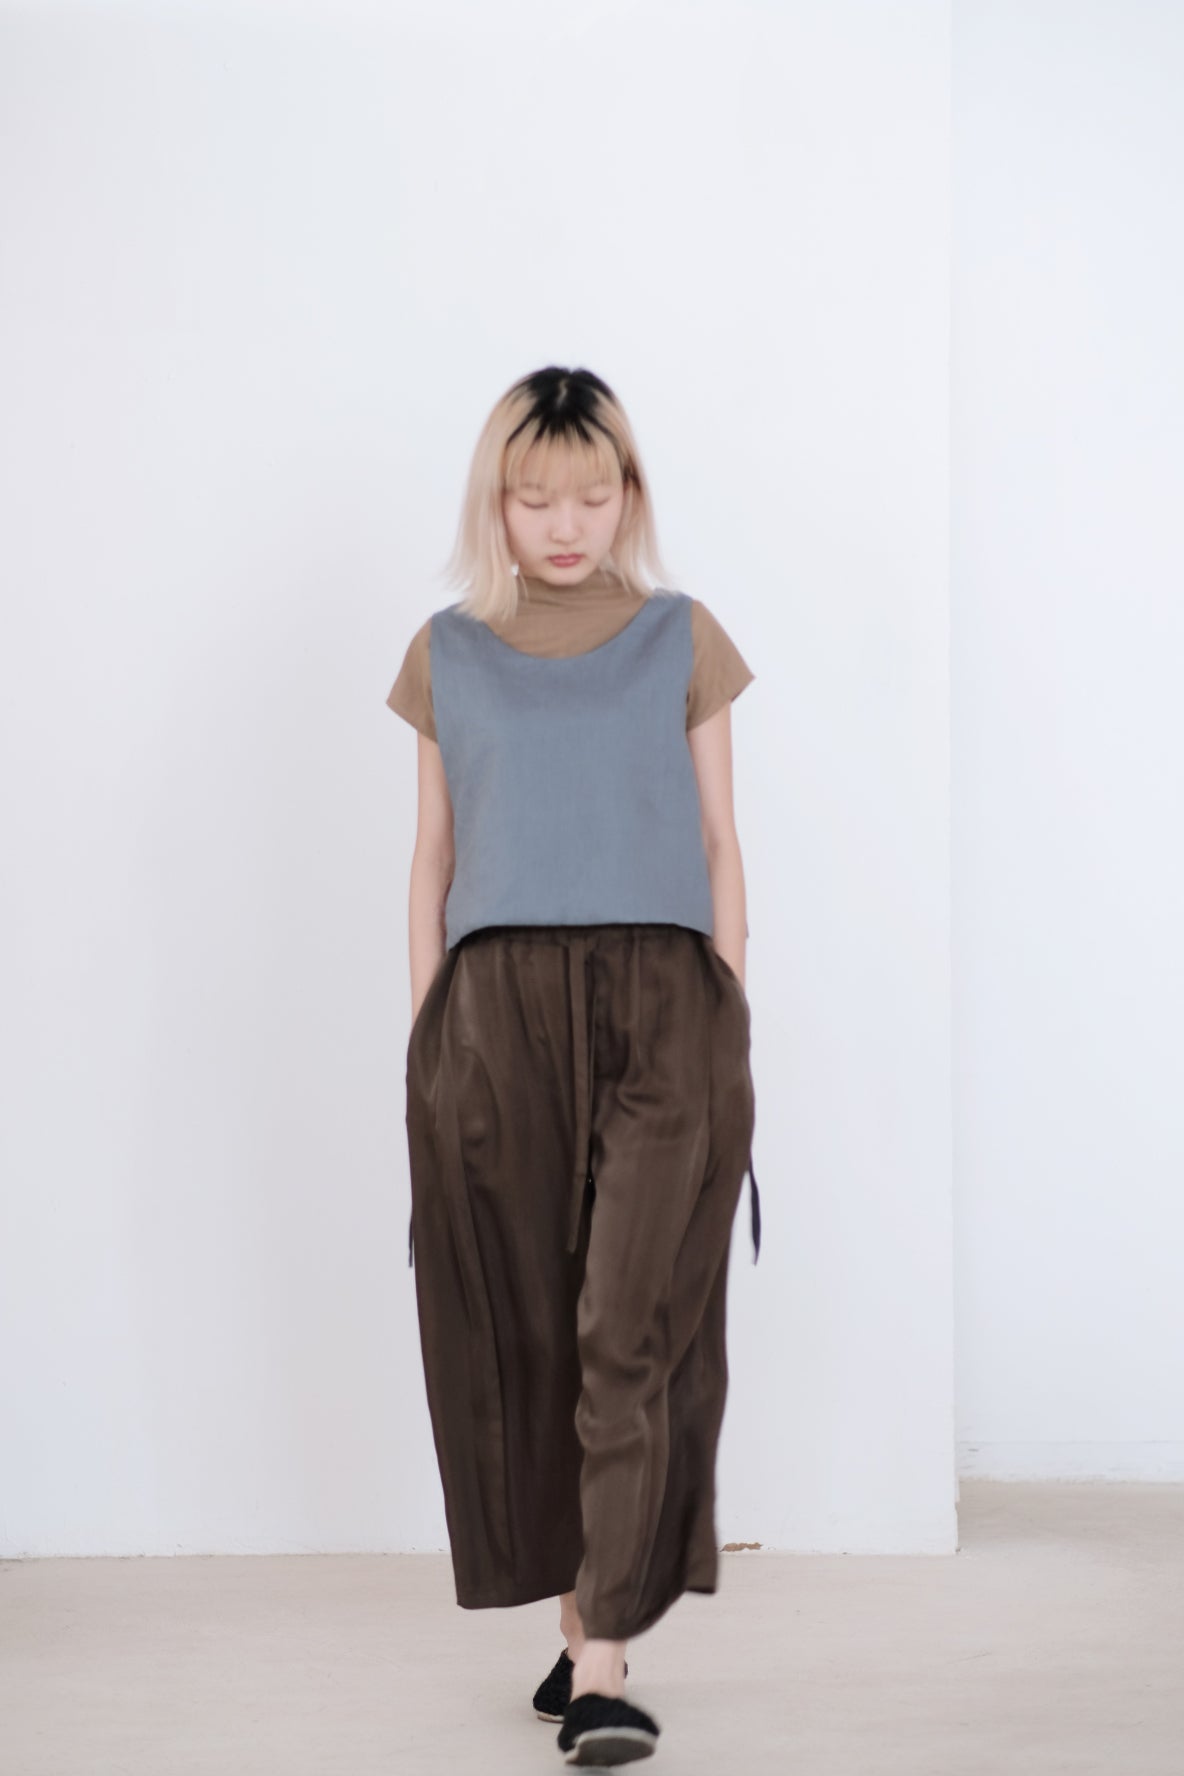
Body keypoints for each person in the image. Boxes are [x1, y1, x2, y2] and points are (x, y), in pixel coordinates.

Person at [385, 364, 759, 1767]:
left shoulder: (681, 637)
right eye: (536, 497)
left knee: (630, 1324)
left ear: (628, 496)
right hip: (493, 1020)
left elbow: (719, 841)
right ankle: (580, 1628)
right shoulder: (447, 652)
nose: (564, 525)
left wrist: (724, 1009)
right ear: (497, 501)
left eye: (592, 496)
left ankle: (602, 1668)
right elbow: (432, 858)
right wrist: (431, 1042)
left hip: (666, 1004)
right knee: (532, 1334)